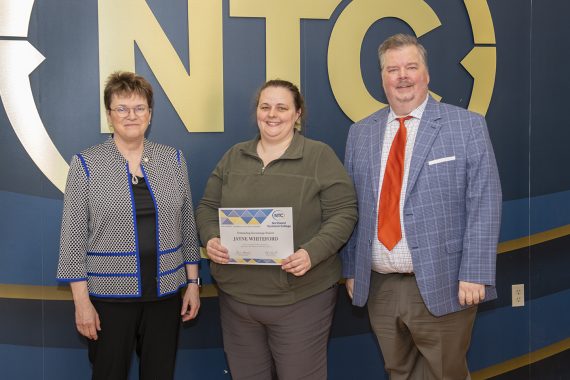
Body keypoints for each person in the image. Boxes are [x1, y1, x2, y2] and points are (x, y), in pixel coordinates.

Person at [342, 34, 502, 379]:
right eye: (392, 69)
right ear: (382, 77)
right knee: (398, 372)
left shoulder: (466, 125)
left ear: (426, 74)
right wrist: (352, 268)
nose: (402, 76)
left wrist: (475, 271)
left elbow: (484, 202)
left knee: (446, 373)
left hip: (443, 281)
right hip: (380, 285)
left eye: (411, 67)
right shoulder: (361, 133)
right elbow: (352, 206)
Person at [196, 79, 357, 379]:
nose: (272, 114)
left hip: (301, 300)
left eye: (282, 107)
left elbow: (344, 212)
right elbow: (207, 207)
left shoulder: (319, 156)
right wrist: (211, 237)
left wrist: (312, 252)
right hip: (237, 300)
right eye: (265, 106)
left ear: (298, 115)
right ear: (256, 111)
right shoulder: (234, 157)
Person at [56, 71, 201, 379]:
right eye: (121, 108)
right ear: (110, 116)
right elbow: (72, 241)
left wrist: (193, 284)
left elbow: (188, 227)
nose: (131, 116)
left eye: (139, 108)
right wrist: (82, 304)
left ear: (149, 114)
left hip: (165, 296)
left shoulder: (172, 159)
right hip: (109, 300)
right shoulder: (86, 164)